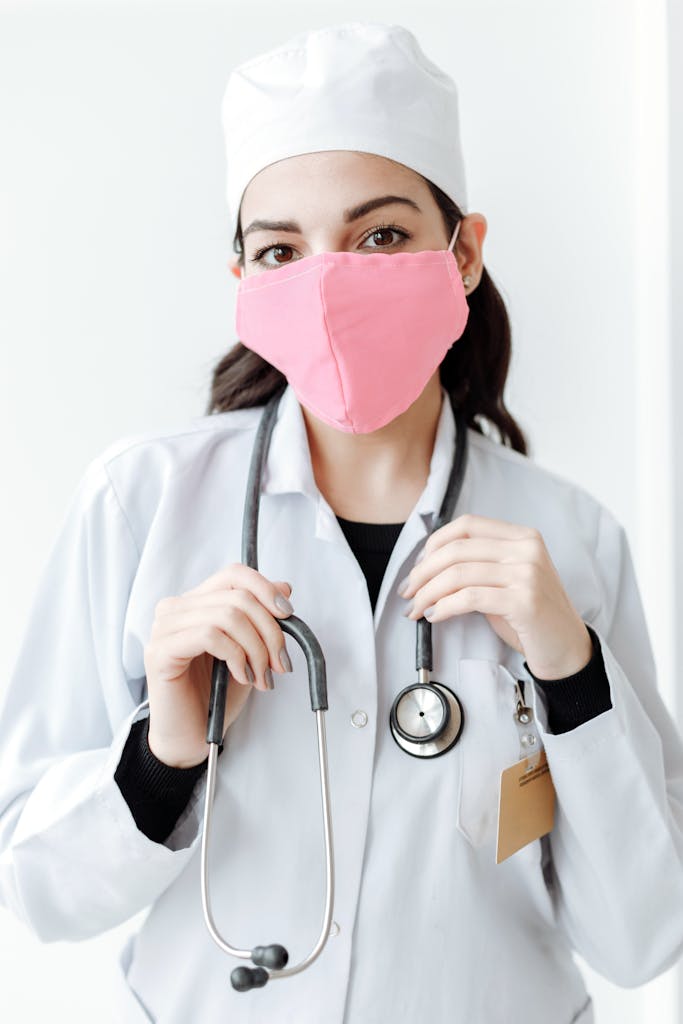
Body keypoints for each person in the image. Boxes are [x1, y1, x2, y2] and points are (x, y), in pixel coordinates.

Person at [1, 19, 682, 1024]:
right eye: (281, 249)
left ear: (462, 254)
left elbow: (643, 936)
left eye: (379, 235)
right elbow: (39, 892)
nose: (326, 283)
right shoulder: (137, 505)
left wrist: (571, 670)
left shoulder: (567, 541)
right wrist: (163, 753)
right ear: (243, 286)